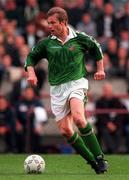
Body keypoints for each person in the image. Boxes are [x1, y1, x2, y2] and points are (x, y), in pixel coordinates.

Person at [24, 7, 108, 174]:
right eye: (48, 23)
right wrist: (31, 74)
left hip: (77, 83)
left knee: (78, 118)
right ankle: (92, 162)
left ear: (64, 22)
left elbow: (97, 48)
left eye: (53, 23)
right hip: (57, 89)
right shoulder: (47, 43)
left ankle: (100, 157)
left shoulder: (80, 38)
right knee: (65, 131)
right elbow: (30, 58)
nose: (49, 26)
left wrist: (100, 69)